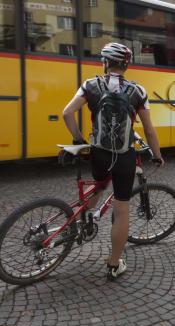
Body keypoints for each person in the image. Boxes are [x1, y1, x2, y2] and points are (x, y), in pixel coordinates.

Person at [62, 42, 164, 280]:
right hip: (124, 157)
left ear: (105, 62)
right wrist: (157, 154)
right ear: (126, 64)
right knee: (122, 210)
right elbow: (149, 130)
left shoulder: (90, 85)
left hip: (98, 152)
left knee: (98, 183)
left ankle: (84, 217)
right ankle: (113, 264)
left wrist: (79, 139)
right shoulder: (138, 91)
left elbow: (67, 113)